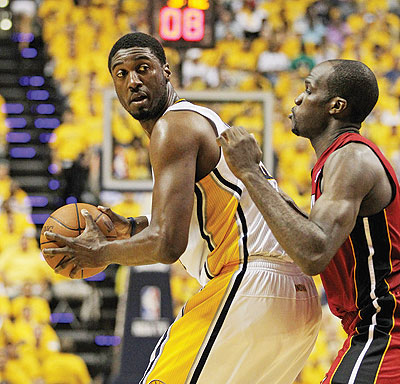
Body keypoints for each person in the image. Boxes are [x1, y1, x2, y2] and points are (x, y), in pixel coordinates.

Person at [43, 32, 321, 384]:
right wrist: (133, 229)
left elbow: (167, 244)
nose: (133, 81)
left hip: (249, 284)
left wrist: (101, 253)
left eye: (143, 68)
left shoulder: (172, 127)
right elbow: (200, 221)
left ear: (166, 71)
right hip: (297, 297)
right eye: (121, 73)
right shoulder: (197, 120)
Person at [217, 59, 400, 384]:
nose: (298, 99)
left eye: (308, 90)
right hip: (370, 326)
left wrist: (247, 172)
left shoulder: (351, 159)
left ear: (336, 107)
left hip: (386, 323)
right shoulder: (337, 161)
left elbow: (314, 252)